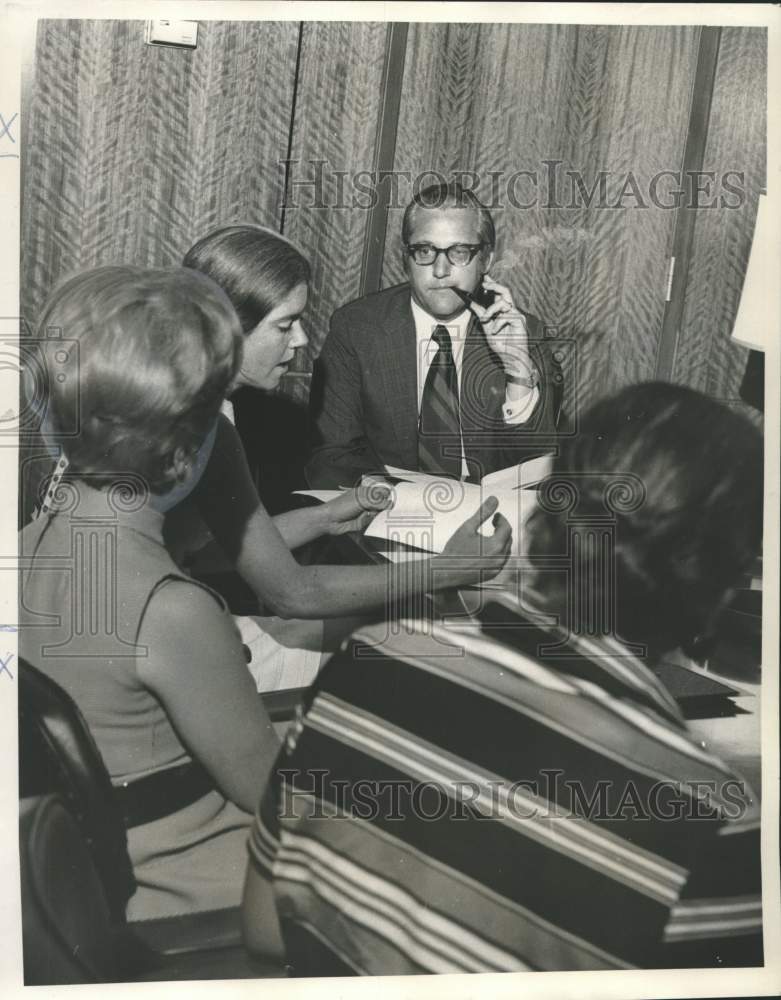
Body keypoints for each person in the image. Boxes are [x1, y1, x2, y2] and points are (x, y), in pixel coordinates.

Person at [243, 382, 764, 973]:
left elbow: (265, 926)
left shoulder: (370, 658)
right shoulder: (714, 817)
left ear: (548, 513)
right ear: (722, 585)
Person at [19, 266, 279, 921]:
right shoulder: (171, 612)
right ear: (185, 455)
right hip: (198, 892)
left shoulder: (18, 550)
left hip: (75, 877)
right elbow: (272, 795)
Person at [175, 225, 514, 688]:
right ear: (227, 327)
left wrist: (328, 516)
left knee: (367, 636)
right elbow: (293, 592)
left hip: (124, 630)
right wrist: (450, 567)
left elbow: (210, 549)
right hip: (155, 649)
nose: (299, 342)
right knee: (412, 655)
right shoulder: (210, 426)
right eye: (284, 324)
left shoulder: (177, 396)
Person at [306, 181, 563, 489]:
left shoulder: (522, 331)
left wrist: (518, 371)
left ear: (486, 260)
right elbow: (331, 453)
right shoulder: (357, 328)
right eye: (425, 251)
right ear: (406, 259)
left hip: (489, 517)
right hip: (387, 512)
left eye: (459, 252)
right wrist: (386, 502)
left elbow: (535, 469)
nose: (441, 270)